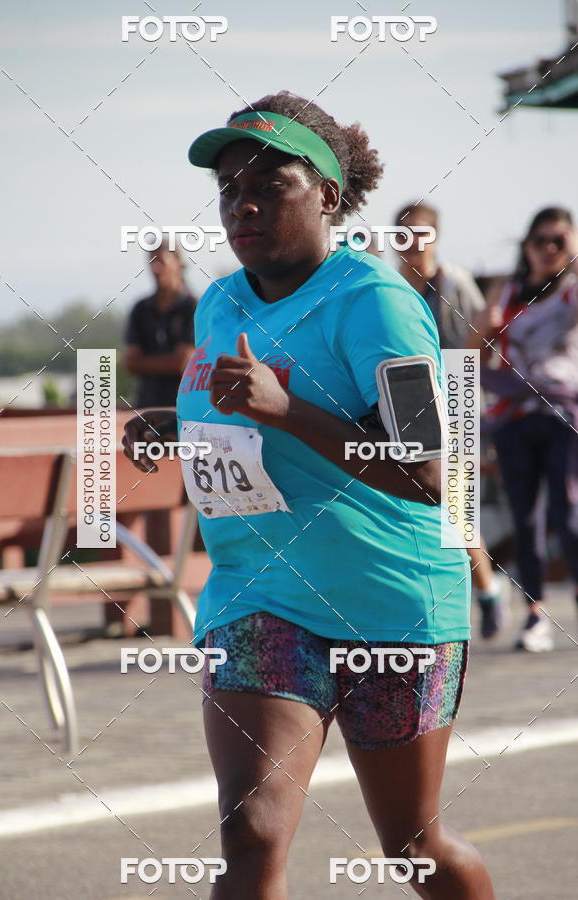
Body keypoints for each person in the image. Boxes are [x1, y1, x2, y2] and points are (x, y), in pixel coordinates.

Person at [123, 91, 494, 899]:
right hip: (261, 596)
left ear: (326, 195)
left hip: (389, 604)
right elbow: (236, 412)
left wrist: (284, 410)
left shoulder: (379, 303)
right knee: (251, 835)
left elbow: (430, 471)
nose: (242, 202)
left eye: (269, 182)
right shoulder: (220, 300)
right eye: (227, 187)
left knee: (413, 844)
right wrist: (168, 421)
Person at [394, 201, 507, 640]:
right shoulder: (391, 286)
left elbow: (483, 344)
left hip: (456, 395)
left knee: (456, 510)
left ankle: (488, 591)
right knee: (415, 508)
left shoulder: (454, 283)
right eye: (403, 234)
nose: (412, 243)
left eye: (421, 233)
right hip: (407, 405)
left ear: (436, 238)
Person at [470, 206, 578, 652]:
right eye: (541, 240)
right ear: (526, 244)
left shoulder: (571, 293)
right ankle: (534, 614)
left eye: (560, 241)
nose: (549, 249)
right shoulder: (508, 291)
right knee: (525, 518)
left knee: (567, 511)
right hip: (513, 416)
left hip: (564, 416)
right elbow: (470, 354)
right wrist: (486, 324)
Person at [123, 240, 196, 408]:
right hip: (145, 406)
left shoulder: (193, 307)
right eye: (151, 262)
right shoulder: (140, 309)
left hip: (184, 408)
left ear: (178, 263)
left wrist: (144, 363)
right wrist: (171, 361)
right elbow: (130, 363)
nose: (155, 268)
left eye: (161, 261)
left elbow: (183, 363)